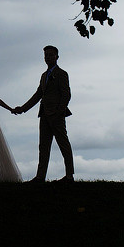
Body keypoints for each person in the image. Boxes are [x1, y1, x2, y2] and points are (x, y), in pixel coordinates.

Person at [13, 45, 74, 183]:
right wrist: (22, 108)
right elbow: (38, 95)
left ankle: (69, 176)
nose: (48, 57)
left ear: (57, 57)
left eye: (51, 55)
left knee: (63, 144)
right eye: (46, 55)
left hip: (57, 115)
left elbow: (66, 94)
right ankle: (40, 177)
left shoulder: (62, 74)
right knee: (43, 146)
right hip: (44, 114)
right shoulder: (43, 76)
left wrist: (59, 112)